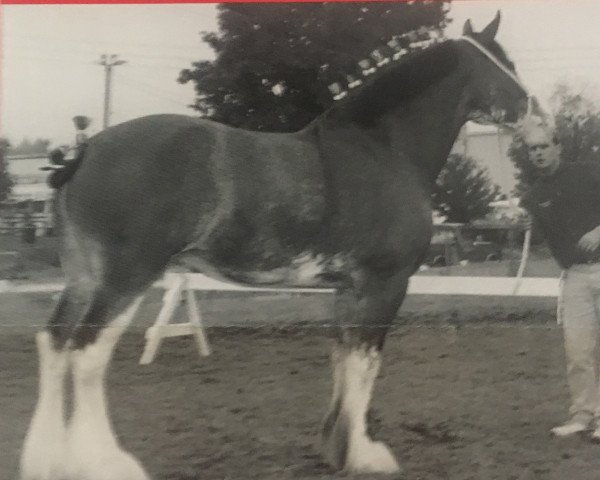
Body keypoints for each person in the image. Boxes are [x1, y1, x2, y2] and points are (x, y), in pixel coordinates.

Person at [520, 116, 600, 439]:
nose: (538, 153)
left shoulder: (589, 171)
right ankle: (582, 415)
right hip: (575, 277)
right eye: (531, 149)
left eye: (543, 146)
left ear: (557, 147)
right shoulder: (533, 196)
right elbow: (545, 239)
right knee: (577, 351)